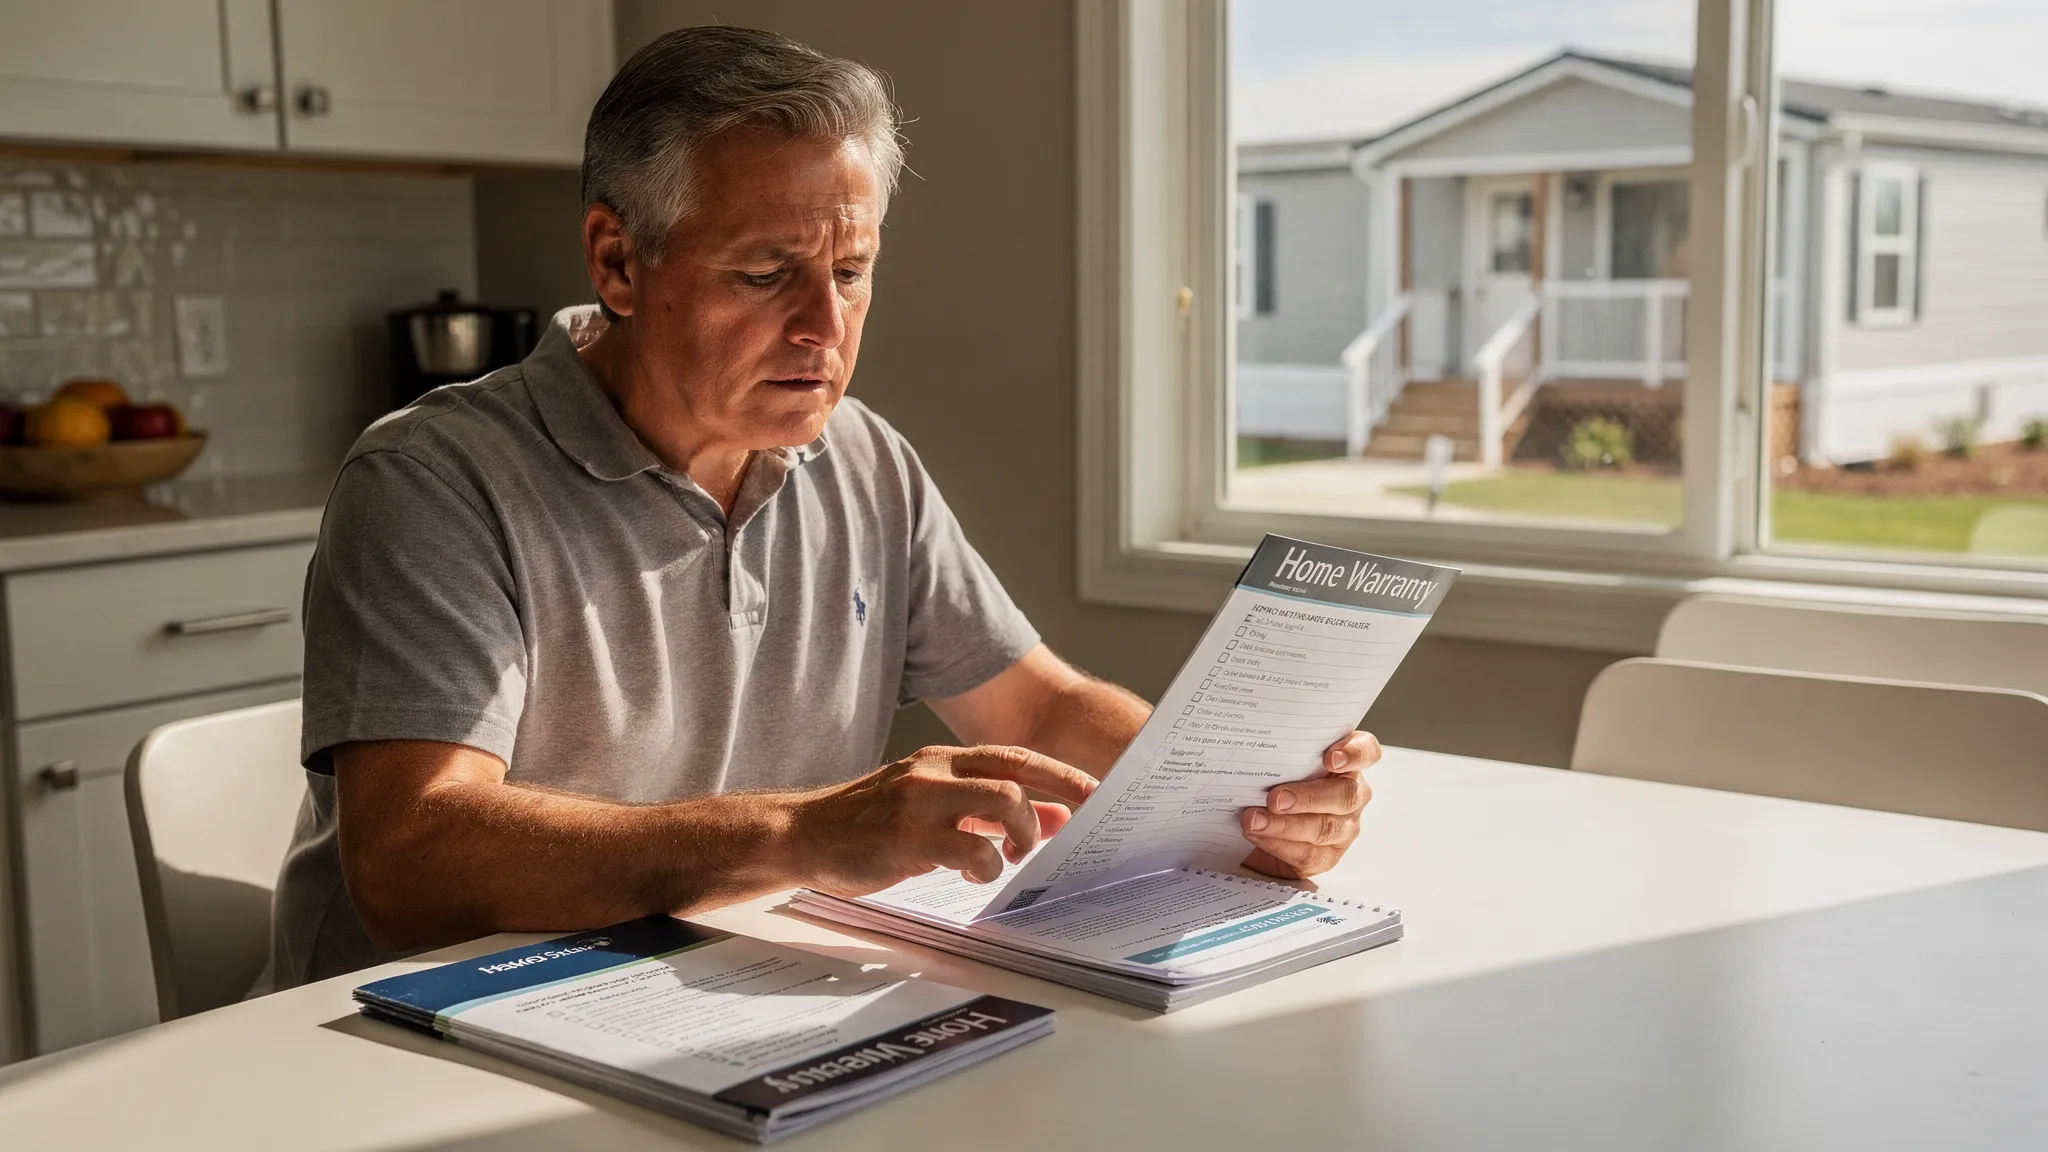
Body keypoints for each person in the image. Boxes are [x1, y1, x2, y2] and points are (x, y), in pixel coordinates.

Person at [271, 25, 1379, 986]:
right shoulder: (431, 480)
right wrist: (801, 832)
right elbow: (412, 863)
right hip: (408, 1038)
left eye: (850, 271)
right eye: (764, 274)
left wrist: (1242, 800)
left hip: (695, 987)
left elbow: (1036, 715)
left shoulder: (860, 459)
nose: (823, 327)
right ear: (618, 259)